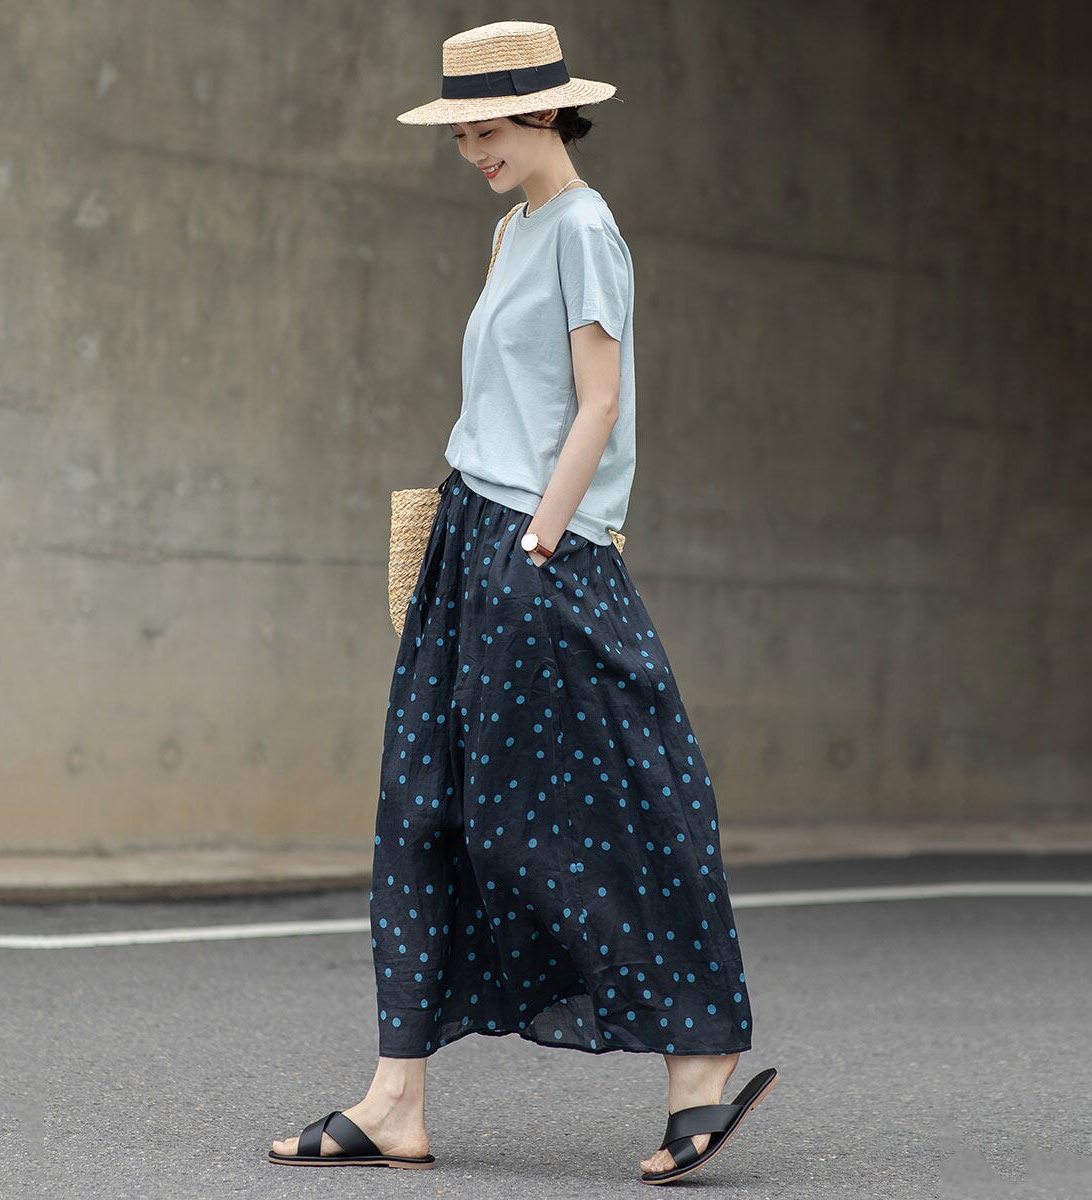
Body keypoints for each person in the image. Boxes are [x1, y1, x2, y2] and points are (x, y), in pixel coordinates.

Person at [270, 20, 777, 1184]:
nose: (472, 152)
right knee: (423, 810)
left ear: (546, 112)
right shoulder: (515, 229)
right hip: (472, 537)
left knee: (609, 803)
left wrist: (540, 537)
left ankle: (699, 1062)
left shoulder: (586, 227)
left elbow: (599, 401)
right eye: (459, 135)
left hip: (537, 544)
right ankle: (396, 1099)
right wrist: (481, 539)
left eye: (486, 129)